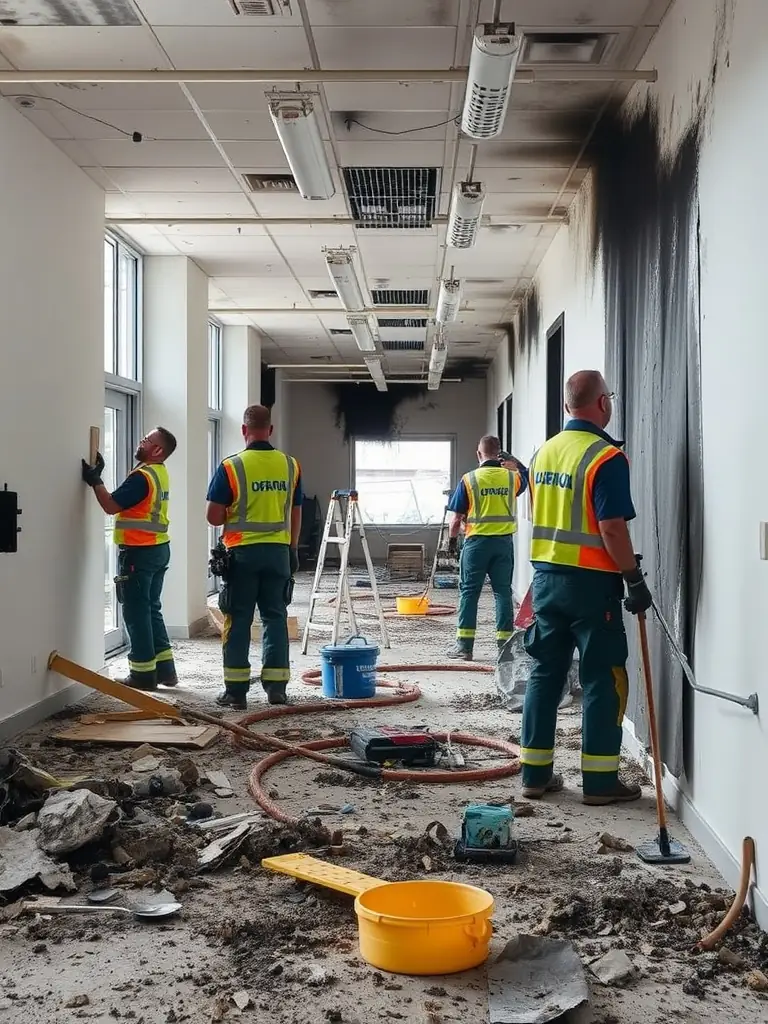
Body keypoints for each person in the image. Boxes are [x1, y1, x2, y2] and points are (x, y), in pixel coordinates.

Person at [521, 370, 652, 805]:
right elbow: (612, 529)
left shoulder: (542, 455)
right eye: (609, 397)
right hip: (593, 586)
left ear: (565, 407)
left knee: (545, 674)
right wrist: (632, 577)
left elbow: (540, 516)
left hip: (546, 581)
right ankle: (598, 783)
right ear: (602, 404)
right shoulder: (605, 458)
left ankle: (534, 775)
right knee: (603, 678)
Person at [206, 404, 303, 710]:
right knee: (275, 617)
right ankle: (276, 689)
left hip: (242, 555)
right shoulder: (290, 465)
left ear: (244, 430)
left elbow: (213, 516)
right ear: (270, 430)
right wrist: (293, 549)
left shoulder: (231, 466)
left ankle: (236, 692)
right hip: (278, 553)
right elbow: (297, 511)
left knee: (238, 619)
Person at [82, 427, 178, 691]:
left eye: (146, 440)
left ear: (157, 450)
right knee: (151, 609)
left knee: (135, 612)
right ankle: (166, 670)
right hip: (158, 549)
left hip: (139, 552)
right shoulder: (158, 473)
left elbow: (111, 506)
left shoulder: (142, 477)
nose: (141, 441)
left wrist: (95, 481)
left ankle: (143, 674)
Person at [445, 435, 528, 660]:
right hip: (503, 544)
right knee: (502, 593)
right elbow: (527, 476)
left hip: (476, 545)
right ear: (499, 453)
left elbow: (455, 520)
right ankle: (504, 648)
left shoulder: (469, 480)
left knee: (469, 593)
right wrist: (514, 463)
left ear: (478, 454)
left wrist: (452, 544)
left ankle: (464, 648)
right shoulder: (512, 478)